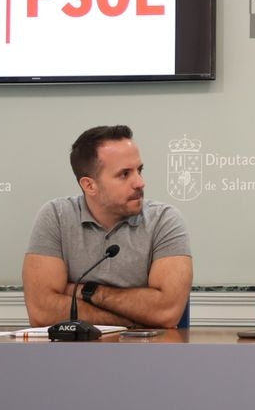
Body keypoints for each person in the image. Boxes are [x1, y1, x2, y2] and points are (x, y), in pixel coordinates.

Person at [23, 125, 193, 329]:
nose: (140, 183)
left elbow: (166, 312)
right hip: (74, 349)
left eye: (139, 170)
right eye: (124, 174)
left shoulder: (164, 220)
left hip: (146, 348)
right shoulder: (56, 217)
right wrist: (133, 321)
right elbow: (42, 312)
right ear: (89, 185)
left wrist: (87, 292)